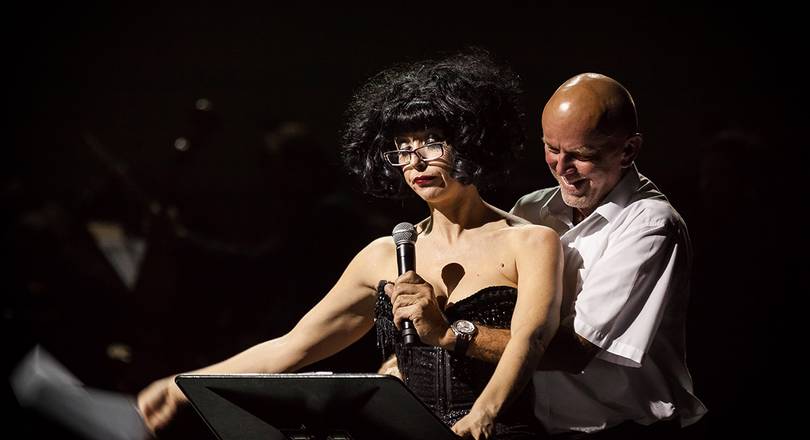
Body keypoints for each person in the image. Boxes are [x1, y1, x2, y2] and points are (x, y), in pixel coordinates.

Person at [137, 49, 563, 440]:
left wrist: (483, 409)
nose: (415, 162)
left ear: (470, 140)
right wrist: (182, 385)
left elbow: (532, 342)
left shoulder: (530, 241)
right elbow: (292, 347)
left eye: (431, 142)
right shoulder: (382, 255)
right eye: (402, 149)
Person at [509, 73, 707, 437]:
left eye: (581, 155)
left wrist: (453, 336)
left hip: (625, 431)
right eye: (551, 148)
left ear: (628, 150)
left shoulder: (651, 224)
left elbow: (573, 350)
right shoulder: (530, 209)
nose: (561, 168)